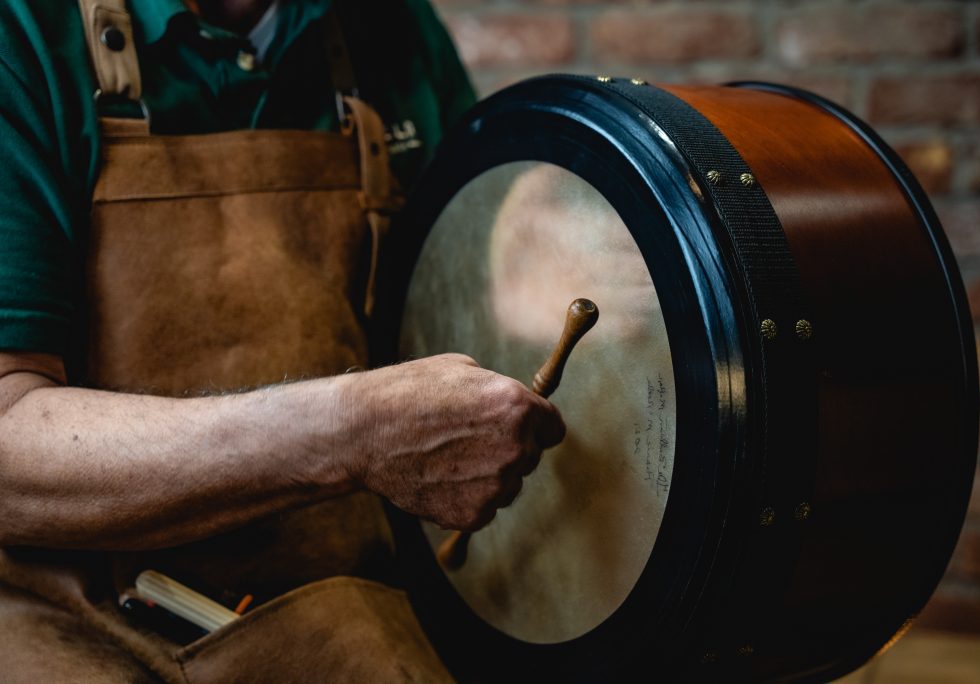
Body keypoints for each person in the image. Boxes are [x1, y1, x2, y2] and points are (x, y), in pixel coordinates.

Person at [0, 0, 565, 681]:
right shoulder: (23, 31)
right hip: (78, 622)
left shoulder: (389, 24)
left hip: (350, 604)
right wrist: (348, 432)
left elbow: (464, 290)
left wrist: (519, 284)